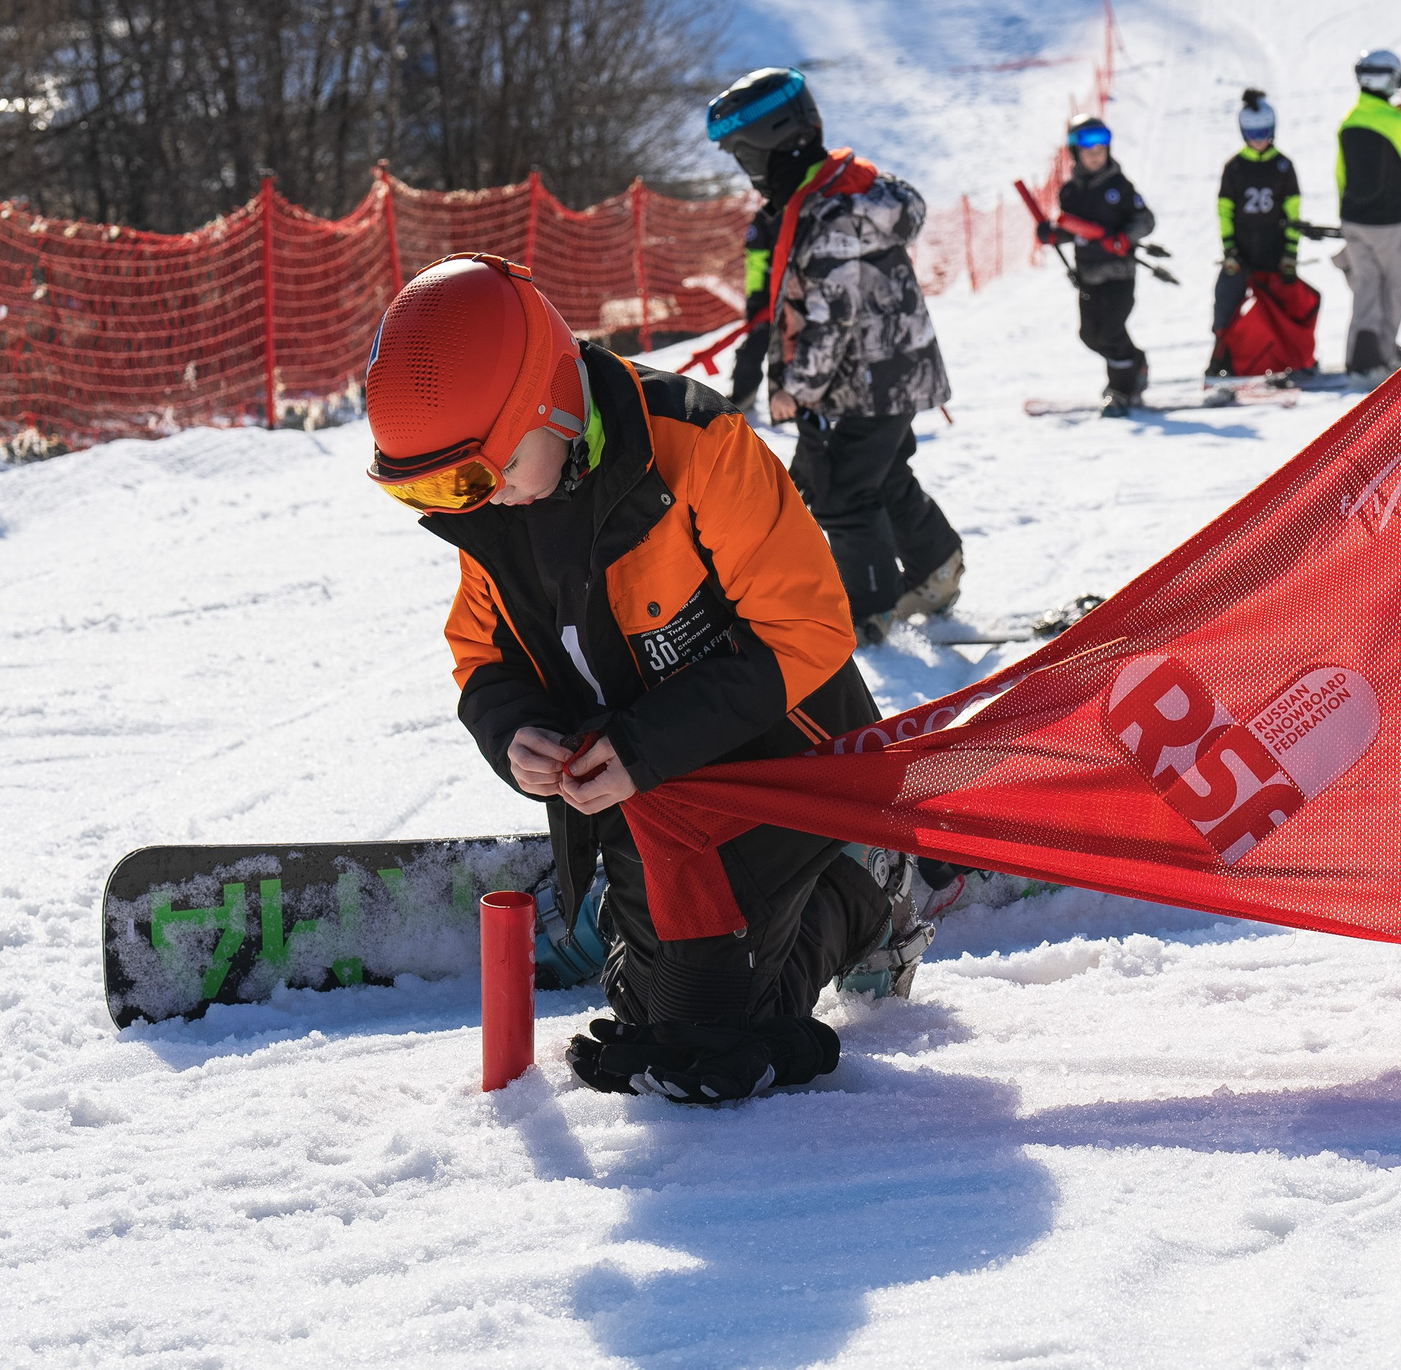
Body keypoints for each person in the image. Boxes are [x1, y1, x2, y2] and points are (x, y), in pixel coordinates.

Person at [362, 252, 921, 1106]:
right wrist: (512, 731)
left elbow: (810, 630)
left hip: (778, 760)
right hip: (644, 789)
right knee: (650, 1012)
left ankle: (861, 890)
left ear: (548, 403)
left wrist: (643, 745)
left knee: (731, 1017)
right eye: (436, 490)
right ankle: (657, 932)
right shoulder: (494, 512)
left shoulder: (697, 447)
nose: (475, 502)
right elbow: (482, 656)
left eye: (480, 472)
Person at [710, 66, 963, 641]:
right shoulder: (847, 191)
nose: (749, 174)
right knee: (882, 477)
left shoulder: (830, 218)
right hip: (890, 372)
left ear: (773, 144)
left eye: (746, 157)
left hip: (864, 383)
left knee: (842, 494)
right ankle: (937, 568)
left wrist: (799, 393)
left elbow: (827, 324)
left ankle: (870, 610)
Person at [1043, 114, 1156, 415]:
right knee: (1090, 335)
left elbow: (1145, 220)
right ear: (1074, 152)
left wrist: (1124, 237)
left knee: (1111, 331)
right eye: (1088, 149)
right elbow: (1074, 230)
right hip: (1088, 275)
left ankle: (1121, 390)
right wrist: (1053, 234)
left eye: (1101, 148)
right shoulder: (1070, 192)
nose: (1096, 154)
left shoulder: (1119, 186)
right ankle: (1135, 364)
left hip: (1119, 274)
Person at [1333, 48, 1401, 386]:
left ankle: (1360, 356)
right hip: (1389, 221)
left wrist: (1346, 219)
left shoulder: (1349, 121)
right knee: (1392, 286)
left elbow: (1341, 175)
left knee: (1365, 286)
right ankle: (1383, 355)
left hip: (1354, 220)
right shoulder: (1395, 121)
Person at [1209, 89, 1307, 377]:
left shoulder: (1283, 167)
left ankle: (1286, 360)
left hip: (1275, 252)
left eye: (1264, 132)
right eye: (1252, 133)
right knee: (1226, 305)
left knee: (1281, 309)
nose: (1259, 139)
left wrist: (1290, 253)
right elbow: (1224, 210)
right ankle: (1220, 362)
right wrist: (1229, 249)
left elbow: (1294, 213)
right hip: (1241, 253)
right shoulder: (1234, 167)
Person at [726, 212, 772, 417]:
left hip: (800, 298)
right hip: (768, 300)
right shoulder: (766, 217)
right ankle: (743, 398)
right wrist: (756, 296)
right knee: (752, 349)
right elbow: (756, 259)